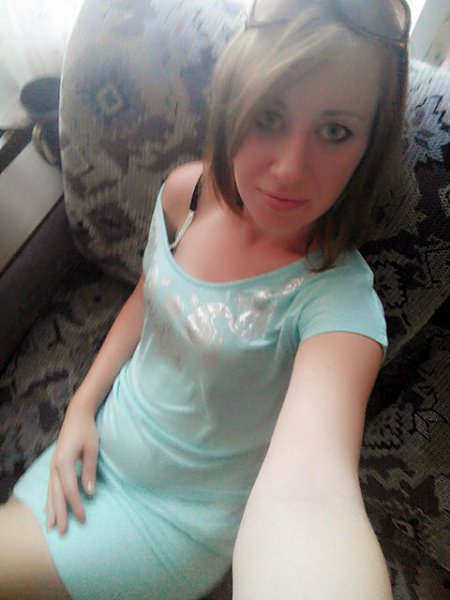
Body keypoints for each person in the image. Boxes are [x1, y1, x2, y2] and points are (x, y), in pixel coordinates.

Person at [0, 0, 411, 598]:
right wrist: (82, 408)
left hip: (167, 527)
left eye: (334, 131)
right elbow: (150, 294)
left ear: (368, 145)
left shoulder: (337, 302)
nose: (290, 169)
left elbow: (313, 495)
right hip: (95, 445)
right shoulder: (187, 194)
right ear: (234, 104)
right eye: (268, 116)